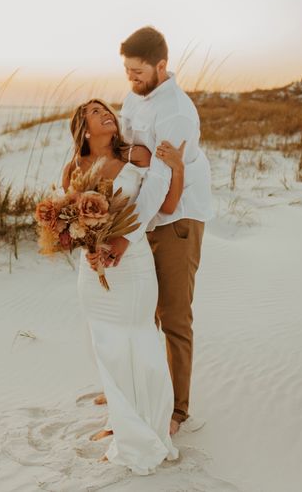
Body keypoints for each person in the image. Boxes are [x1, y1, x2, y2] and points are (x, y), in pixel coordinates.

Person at [62, 99, 185, 475]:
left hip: (132, 265)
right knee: (105, 343)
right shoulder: (73, 167)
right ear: (84, 129)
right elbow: (66, 223)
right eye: (96, 113)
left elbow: (165, 204)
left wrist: (176, 168)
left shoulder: (138, 156)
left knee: (139, 340)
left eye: (107, 109)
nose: (107, 115)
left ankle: (143, 427)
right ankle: (119, 418)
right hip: (93, 267)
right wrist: (84, 242)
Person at [104, 26, 214, 436]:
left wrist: (124, 235)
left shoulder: (178, 113)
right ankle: (145, 391)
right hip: (145, 216)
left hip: (177, 218)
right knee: (141, 310)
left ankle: (177, 412)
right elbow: (127, 149)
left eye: (138, 71)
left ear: (161, 66)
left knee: (172, 316)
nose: (130, 80)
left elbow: (160, 183)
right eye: (127, 71)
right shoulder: (135, 94)